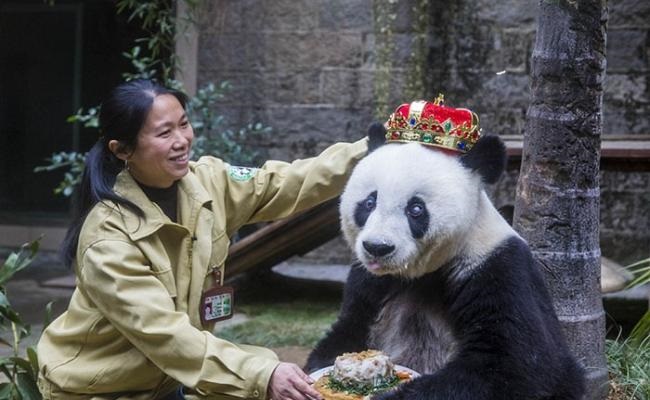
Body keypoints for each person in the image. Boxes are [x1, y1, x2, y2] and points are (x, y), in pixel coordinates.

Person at [36, 79, 369, 400]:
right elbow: (165, 335)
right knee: (260, 374)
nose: (182, 140)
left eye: (184, 124)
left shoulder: (207, 181)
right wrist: (261, 375)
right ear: (123, 150)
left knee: (265, 366)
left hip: (169, 378)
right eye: (164, 132)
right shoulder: (108, 238)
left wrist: (375, 149)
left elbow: (285, 183)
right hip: (103, 389)